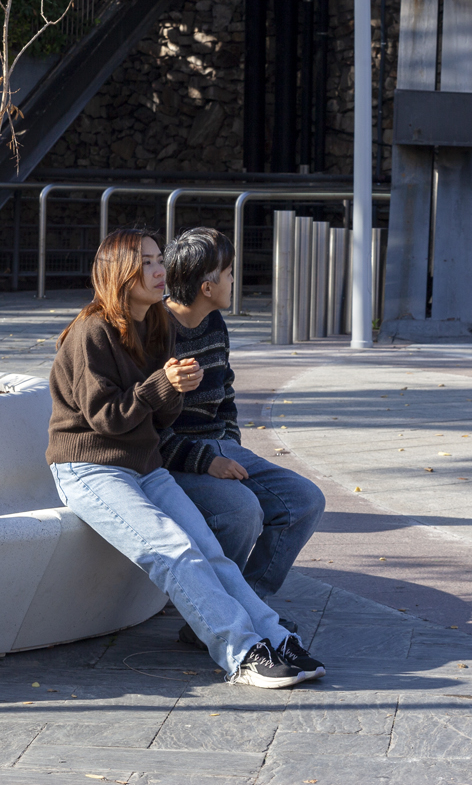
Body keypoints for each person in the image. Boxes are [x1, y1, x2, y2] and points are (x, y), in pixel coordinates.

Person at [47, 228, 322, 688]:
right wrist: (162, 386)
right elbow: (106, 419)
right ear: (119, 272)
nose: (161, 271)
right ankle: (242, 653)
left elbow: (160, 418)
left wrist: (175, 390)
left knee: (212, 554)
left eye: (159, 260)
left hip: (145, 464)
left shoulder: (156, 324)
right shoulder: (92, 331)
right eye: (147, 263)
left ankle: (273, 635)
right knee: (175, 551)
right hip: (91, 468)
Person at [160, 228, 328, 653]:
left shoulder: (214, 322)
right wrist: (206, 460)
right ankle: (211, 616)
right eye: (230, 272)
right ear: (207, 287)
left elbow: (226, 391)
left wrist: (228, 441)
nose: (235, 280)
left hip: (220, 447)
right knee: (241, 511)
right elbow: (147, 428)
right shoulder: (154, 332)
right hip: (174, 459)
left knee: (305, 500)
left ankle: (248, 604)